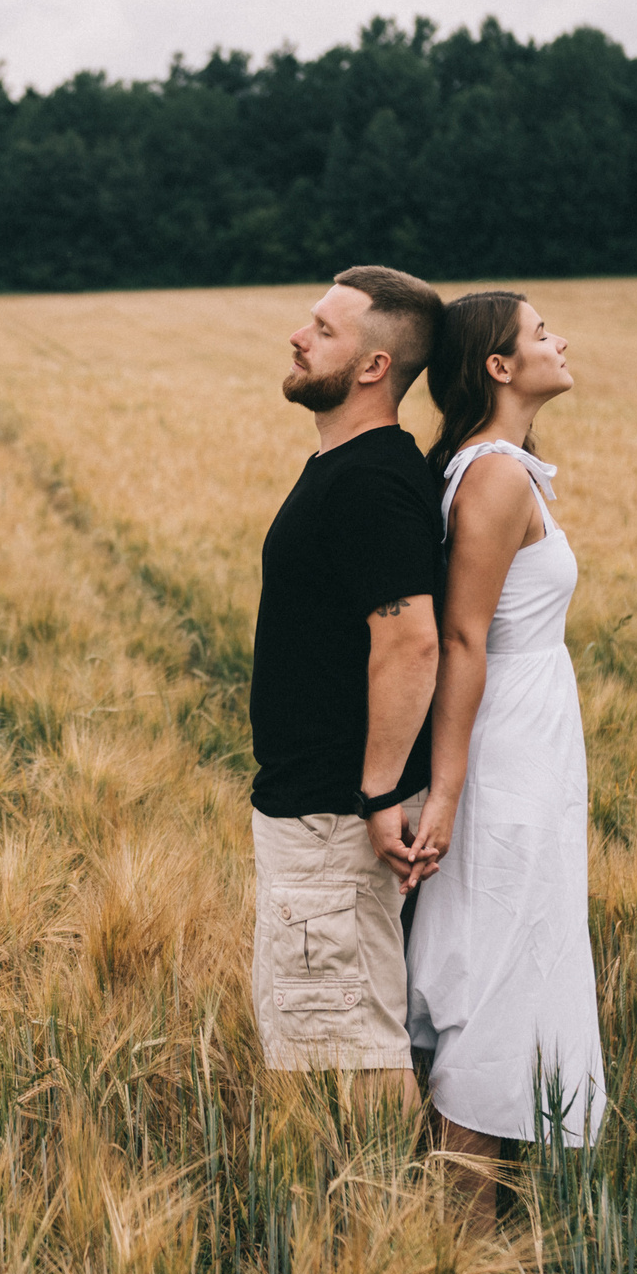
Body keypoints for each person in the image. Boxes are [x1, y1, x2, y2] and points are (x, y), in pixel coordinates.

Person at [402, 290, 607, 1219]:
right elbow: (462, 639)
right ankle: (460, 1254)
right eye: (539, 332)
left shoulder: (501, 469)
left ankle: (485, 1243)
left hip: (530, 744)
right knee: (492, 982)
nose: (559, 341)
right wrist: (446, 794)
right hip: (504, 759)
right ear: (498, 365)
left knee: (515, 974)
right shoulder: (493, 477)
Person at [248, 265, 447, 1101]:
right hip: (321, 807)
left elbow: (410, 642)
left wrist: (375, 794)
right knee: (323, 1036)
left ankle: (387, 1229)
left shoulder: (368, 481)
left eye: (324, 329)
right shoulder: (347, 466)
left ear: (373, 367)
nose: (298, 335)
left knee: (351, 1049)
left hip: (333, 814)